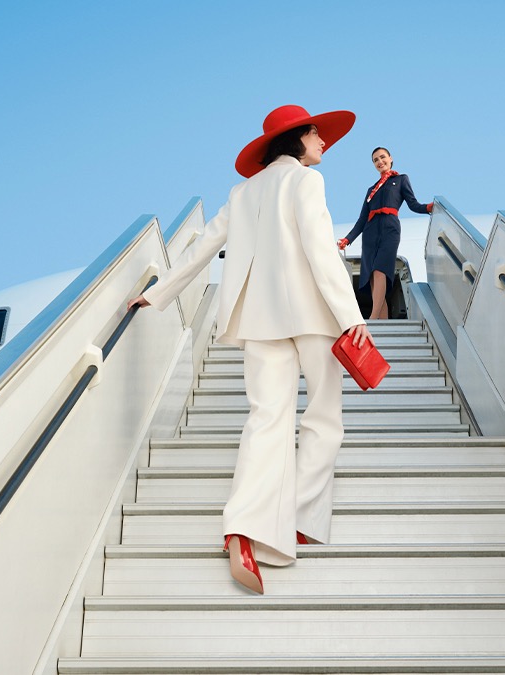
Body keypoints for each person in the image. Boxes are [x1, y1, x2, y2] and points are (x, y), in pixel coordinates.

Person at [126, 105, 371, 594]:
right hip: (312, 316)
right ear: (297, 140)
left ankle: (243, 529)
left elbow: (201, 248)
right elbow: (321, 250)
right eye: (316, 134)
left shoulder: (242, 192)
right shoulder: (305, 182)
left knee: (266, 419)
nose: (323, 142)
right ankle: (300, 517)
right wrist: (352, 317)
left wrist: (157, 294)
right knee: (323, 416)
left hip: (258, 319)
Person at [338, 147, 433, 319]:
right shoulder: (371, 190)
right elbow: (362, 219)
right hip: (370, 232)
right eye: (375, 160)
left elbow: (413, 204)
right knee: (373, 276)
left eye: (382, 157)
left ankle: (373, 318)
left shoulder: (401, 179)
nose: (380, 161)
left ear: (390, 158)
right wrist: (347, 239)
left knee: (381, 270)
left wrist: (427, 208)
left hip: (390, 228)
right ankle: (383, 320)